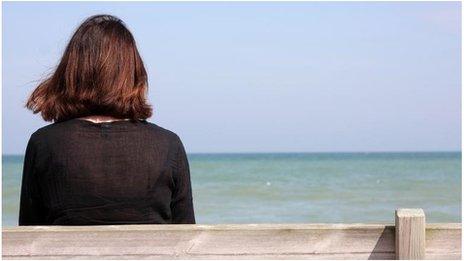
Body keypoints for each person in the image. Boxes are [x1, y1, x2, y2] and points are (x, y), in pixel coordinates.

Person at [18, 14, 195, 225]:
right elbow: (186, 236)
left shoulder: (44, 144)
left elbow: (29, 235)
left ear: (72, 71)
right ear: (133, 72)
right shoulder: (168, 145)